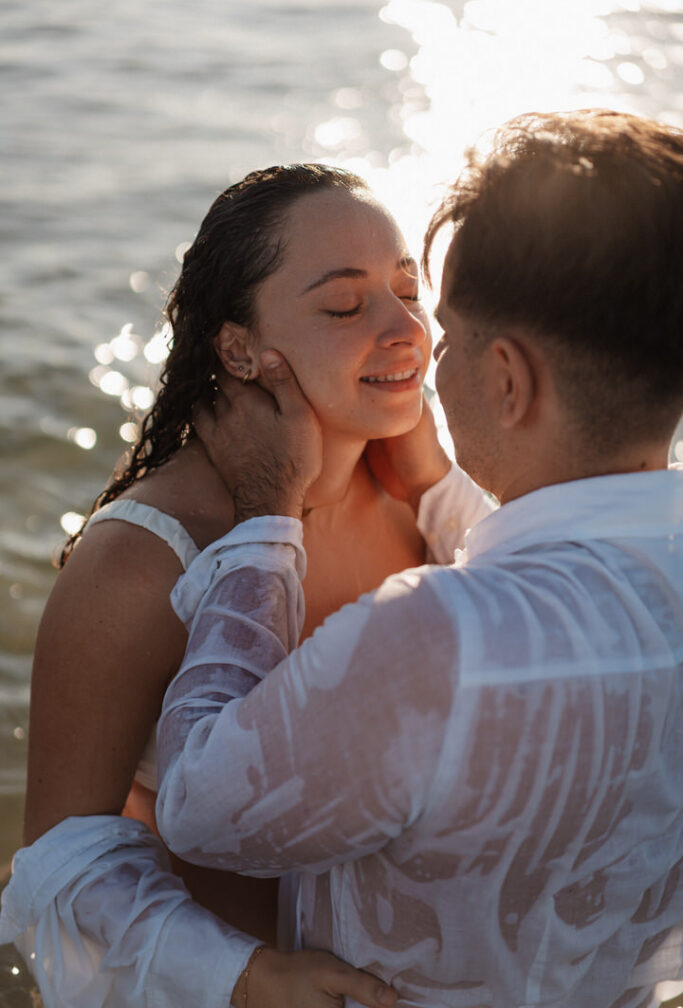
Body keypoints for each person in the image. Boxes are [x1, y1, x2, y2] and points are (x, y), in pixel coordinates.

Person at [153, 110, 683, 1008]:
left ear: (507, 381)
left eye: (445, 329)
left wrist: (265, 523)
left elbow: (195, 806)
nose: (417, 348)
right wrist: (442, 485)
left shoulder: (435, 640)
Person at [0, 164, 491, 1007]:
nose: (405, 327)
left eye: (408, 290)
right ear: (238, 349)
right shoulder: (145, 557)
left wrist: (436, 476)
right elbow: (58, 863)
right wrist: (249, 976)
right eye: (344, 307)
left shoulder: (433, 512)